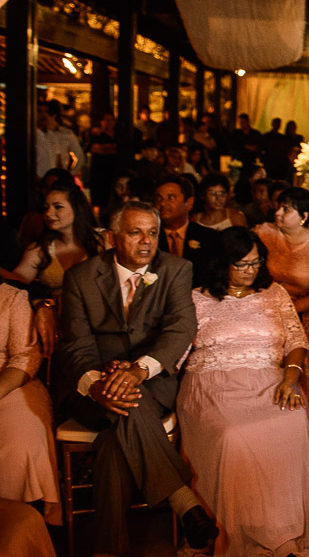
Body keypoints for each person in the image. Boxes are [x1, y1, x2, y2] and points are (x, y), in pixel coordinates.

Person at [58, 201, 217, 554]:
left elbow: (180, 328)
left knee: (115, 436)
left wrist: (139, 369)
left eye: (153, 233)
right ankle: (184, 502)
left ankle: (107, 550)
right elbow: (75, 345)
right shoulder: (81, 278)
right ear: (113, 237)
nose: (146, 241)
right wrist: (98, 385)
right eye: (135, 233)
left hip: (152, 381)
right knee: (125, 411)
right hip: (92, 387)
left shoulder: (176, 269)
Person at [178, 227, 309, 556]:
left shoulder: (274, 293)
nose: (252, 271)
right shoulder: (196, 298)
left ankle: (282, 528)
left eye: (257, 262)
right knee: (233, 435)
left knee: (291, 420)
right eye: (242, 264)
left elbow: (296, 340)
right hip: (212, 383)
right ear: (222, 264)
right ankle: (235, 533)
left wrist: (291, 378)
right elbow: (175, 351)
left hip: (268, 379)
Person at [0, 182, 105, 358]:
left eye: (58, 207)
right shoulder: (40, 249)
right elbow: (18, 282)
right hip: (57, 322)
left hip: (97, 323)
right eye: (46, 207)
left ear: (77, 208)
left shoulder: (103, 240)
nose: (49, 213)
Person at [255, 188, 309, 390]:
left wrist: (294, 308)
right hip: (261, 305)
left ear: (304, 216)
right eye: (278, 207)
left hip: (298, 307)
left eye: (286, 210)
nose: (278, 213)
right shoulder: (263, 233)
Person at [0, 282, 59, 523]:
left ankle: (21, 530)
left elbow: (25, 357)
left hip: (10, 382)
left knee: (22, 443)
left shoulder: (11, 297)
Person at [154, 175, 220, 266]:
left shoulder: (209, 237)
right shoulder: (151, 237)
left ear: (189, 203)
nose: (162, 203)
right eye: (159, 198)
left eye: (171, 198)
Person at [35, 100, 84, 179]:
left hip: (52, 179)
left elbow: (60, 160)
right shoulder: (34, 135)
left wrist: (66, 176)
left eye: (46, 112)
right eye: (39, 111)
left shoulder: (53, 135)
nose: (43, 115)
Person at [89, 112, 120, 209]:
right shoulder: (96, 135)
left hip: (114, 169)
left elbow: (119, 149)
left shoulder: (119, 135)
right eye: (106, 120)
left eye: (111, 120)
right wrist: (110, 148)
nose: (109, 123)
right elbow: (95, 148)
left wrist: (106, 148)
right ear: (101, 122)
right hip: (100, 170)